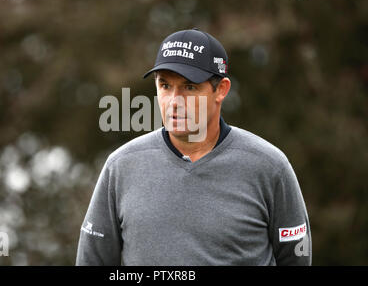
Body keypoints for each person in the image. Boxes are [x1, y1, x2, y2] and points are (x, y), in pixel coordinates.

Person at [76, 28, 311, 265]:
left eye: (189, 87)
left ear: (221, 90)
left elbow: (296, 259)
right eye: (165, 86)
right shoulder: (121, 166)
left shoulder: (269, 167)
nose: (174, 101)